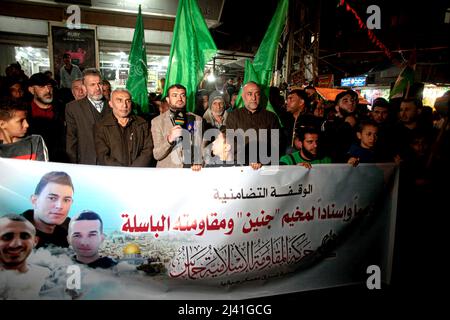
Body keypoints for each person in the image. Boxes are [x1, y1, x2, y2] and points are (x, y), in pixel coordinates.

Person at [225, 81, 280, 168]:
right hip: (240, 165)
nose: (253, 98)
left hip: (265, 165)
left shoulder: (271, 117)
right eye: (249, 94)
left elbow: (275, 144)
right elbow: (231, 142)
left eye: (257, 94)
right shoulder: (233, 116)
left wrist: (262, 161)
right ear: (243, 96)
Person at [94, 89, 153, 167]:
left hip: (138, 173)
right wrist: (122, 172)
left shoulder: (142, 124)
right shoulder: (101, 126)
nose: (125, 105)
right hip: (113, 174)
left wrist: (133, 170)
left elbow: (148, 150)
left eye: (128, 101)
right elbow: (102, 155)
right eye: (119, 101)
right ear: (111, 104)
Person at [151, 84, 203, 168]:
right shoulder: (157, 122)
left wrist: (198, 162)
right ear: (168, 99)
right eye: (174, 95)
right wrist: (169, 139)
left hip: (190, 172)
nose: (179, 99)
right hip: (167, 173)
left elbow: (200, 147)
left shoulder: (197, 119)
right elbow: (157, 155)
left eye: (182, 95)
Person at [66, 68, 110, 165]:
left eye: (99, 84)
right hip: (86, 162)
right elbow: (71, 139)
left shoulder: (112, 106)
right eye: (92, 85)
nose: (97, 88)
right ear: (84, 88)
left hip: (110, 163)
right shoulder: (73, 108)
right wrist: (73, 165)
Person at [0, 214, 50, 300]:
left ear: (35, 241)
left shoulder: (46, 276)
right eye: (7, 237)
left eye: (24, 236)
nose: (16, 244)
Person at [22, 171, 74, 248]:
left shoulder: (73, 228)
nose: (59, 206)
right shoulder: (10, 230)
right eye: (52, 198)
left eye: (66, 200)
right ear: (34, 200)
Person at [26, 72, 66, 162]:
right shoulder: (23, 112)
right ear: (31, 90)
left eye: (49, 86)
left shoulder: (63, 108)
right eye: (42, 87)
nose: (48, 90)